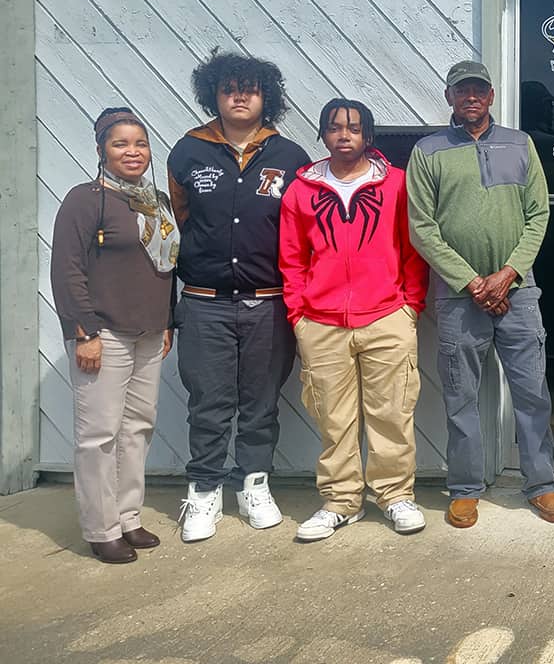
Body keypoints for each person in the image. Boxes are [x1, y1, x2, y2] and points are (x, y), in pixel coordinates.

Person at [407, 60, 554, 529]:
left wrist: (508, 274)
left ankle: (541, 484)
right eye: (462, 90)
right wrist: (473, 281)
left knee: (532, 393)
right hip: (460, 298)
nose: (471, 97)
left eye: (478, 89)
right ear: (450, 97)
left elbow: (539, 214)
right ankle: (464, 488)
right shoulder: (429, 152)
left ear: (492, 95)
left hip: (518, 293)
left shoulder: (520, 144)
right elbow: (422, 228)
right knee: (461, 395)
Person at [169, 52, 310, 542]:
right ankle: (204, 491)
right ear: (214, 94)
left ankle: (254, 484)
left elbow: (300, 232)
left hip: (268, 303)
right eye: (229, 88)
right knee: (208, 402)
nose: (240, 95)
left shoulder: (290, 157)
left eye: (250, 88)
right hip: (205, 302)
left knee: (260, 402)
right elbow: (177, 227)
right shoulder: (187, 153)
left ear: (265, 96)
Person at [279, 99, 429, 541]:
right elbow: (291, 258)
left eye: (355, 128)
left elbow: (413, 249)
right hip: (321, 322)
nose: (345, 135)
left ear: (369, 136)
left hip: (386, 315)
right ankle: (342, 501)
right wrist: (299, 314)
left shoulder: (396, 184)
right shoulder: (301, 190)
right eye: (335, 127)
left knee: (392, 413)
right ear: (323, 134)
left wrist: (409, 306)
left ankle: (396, 495)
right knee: (333, 417)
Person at [51, 107, 179, 563]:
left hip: (148, 332)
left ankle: (128, 517)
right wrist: (83, 330)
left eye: (140, 143)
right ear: (102, 149)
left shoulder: (156, 202)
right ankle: (100, 527)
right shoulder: (85, 200)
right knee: (99, 434)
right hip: (103, 332)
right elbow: (67, 270)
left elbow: (166, 267)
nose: (132, 151)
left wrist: (167, 320)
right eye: (120, 143)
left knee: (136, 430)